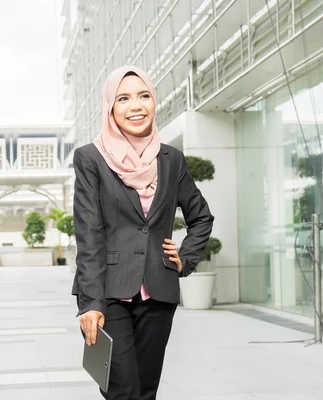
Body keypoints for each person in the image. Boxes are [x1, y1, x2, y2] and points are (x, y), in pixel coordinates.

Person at [71, 65, 214, 399]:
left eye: (143, 96)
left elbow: (201, 217)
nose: (135, 106)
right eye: (123, 98)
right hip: (107, 295)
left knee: (145, 392)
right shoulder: (91, 159)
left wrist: (185, 259)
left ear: (154, 102)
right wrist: (91, 303)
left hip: (158, 294)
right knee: (122, 392)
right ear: (110, 107)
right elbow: (89, 233)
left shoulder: (171, 160)